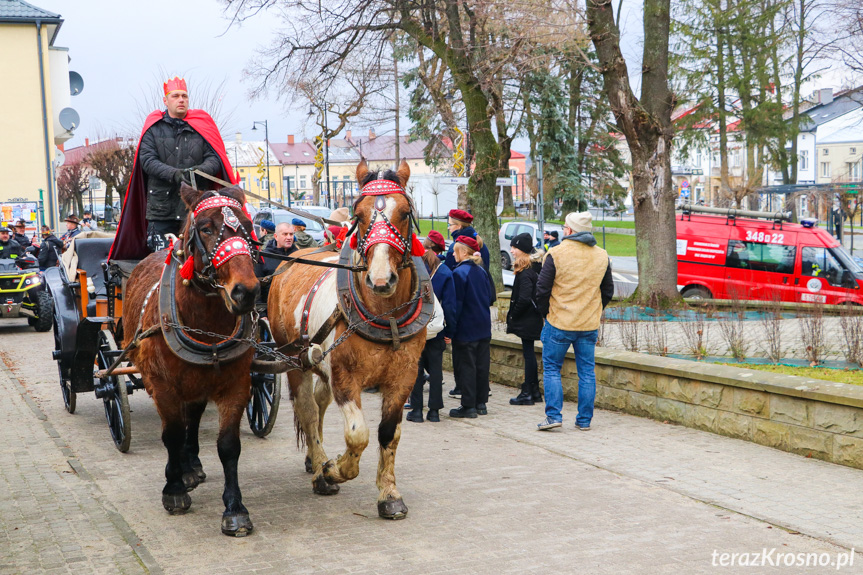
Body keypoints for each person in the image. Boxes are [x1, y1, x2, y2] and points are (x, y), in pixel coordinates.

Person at [109, 77, 240, 261]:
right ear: (166, 100)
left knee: (198, 262)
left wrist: (198, 170)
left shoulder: (202, 126)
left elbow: (215, 157)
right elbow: (147, 160)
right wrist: (175, 174)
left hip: (195, 209)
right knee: (163, 262)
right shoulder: (153, 128)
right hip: (162, 210)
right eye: (176, 96)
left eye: (184, 96)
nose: (181, 100)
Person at [535, 211, 614, 431]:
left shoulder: (556, 254)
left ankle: (553, 417)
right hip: (588, 324)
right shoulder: (602, 255)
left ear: (569, 230)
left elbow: (542, 290)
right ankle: (584, 421)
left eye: (564, 227)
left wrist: (546, 313)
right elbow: (608, 290)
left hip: (559, 321)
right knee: (587, 372)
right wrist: (594, 310)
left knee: (551, 369)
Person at [406, 231, 456, 423]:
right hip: (437, 329)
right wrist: (449, 331)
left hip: (416, 329)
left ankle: (417, 410)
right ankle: (434, 411)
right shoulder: (445, 273)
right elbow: (451, 306)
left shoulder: (414, 271)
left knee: (416, 371)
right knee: (436, 372)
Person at [449, 235, 496, 419]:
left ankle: (468, 405)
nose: (452, 254)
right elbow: (490, 296)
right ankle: (481, 403)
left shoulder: (459, 273)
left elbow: (456, 305)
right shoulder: (481, 271)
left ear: (463, 252)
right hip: (483, 325)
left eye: (454, 251)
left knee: (467, 366)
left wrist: (451, 329)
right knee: (482, 365)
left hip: (467, 328)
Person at [506, 232, 544, 406]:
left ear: (522, 250)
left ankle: (528, 391)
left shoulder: (526, 271)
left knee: (529, 355)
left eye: (514, 247)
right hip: (531, 318)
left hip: (527, 319)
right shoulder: (530, 268)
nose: (512, 251)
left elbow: (524, 298)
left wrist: (514, 315)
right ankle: (534, 391)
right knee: (529, 354)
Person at [255, 223, 297, 302]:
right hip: (269, 306)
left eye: (291, 234)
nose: (289, 237)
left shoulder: (299, 256)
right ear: (276, 236)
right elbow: (257, 287)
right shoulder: (263, 257)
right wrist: (261, 313)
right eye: (285, 234)